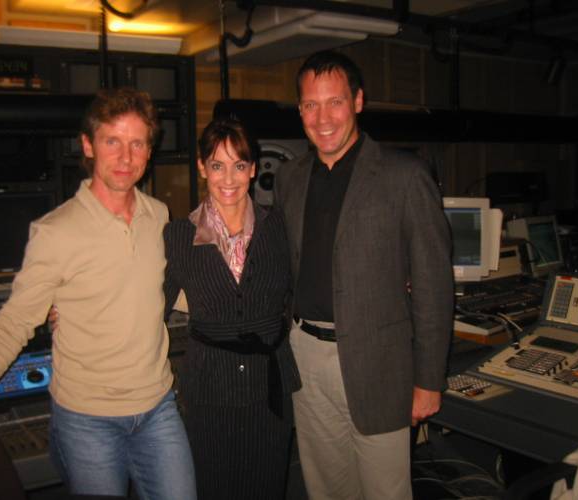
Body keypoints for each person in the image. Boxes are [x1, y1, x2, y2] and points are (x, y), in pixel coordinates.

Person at [0, 88, 196, 499]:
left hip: (157, 408)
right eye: (112, 141)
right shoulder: (55, 232)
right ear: (88, 145)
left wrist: (240, 299)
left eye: (137, 143)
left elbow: (171, 290)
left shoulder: (158, 216)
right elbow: (14, 322)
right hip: (88, 421)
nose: (125, 157)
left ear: (149, 150)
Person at [273, 50, 454, 500]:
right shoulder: (290, 178)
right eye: (311, 105)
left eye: (334, 102)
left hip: (379, 364)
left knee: (385, 492)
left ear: (357, 101)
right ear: (300, 110)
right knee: (326, 489)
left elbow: (433, 286)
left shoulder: (405, 175)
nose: (323, 118)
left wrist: (428, 380)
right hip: (306, 356)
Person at [162, 117, 301, 500]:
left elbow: (308, 283)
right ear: (201, 167)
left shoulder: (279, 227)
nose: (228, 178)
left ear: (253, 169)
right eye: (217, 165)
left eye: (239, 165)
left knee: (267, 487)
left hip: (270, 387)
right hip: (209, 390)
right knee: (213, 488)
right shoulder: (178, 237)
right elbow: (148, 304)